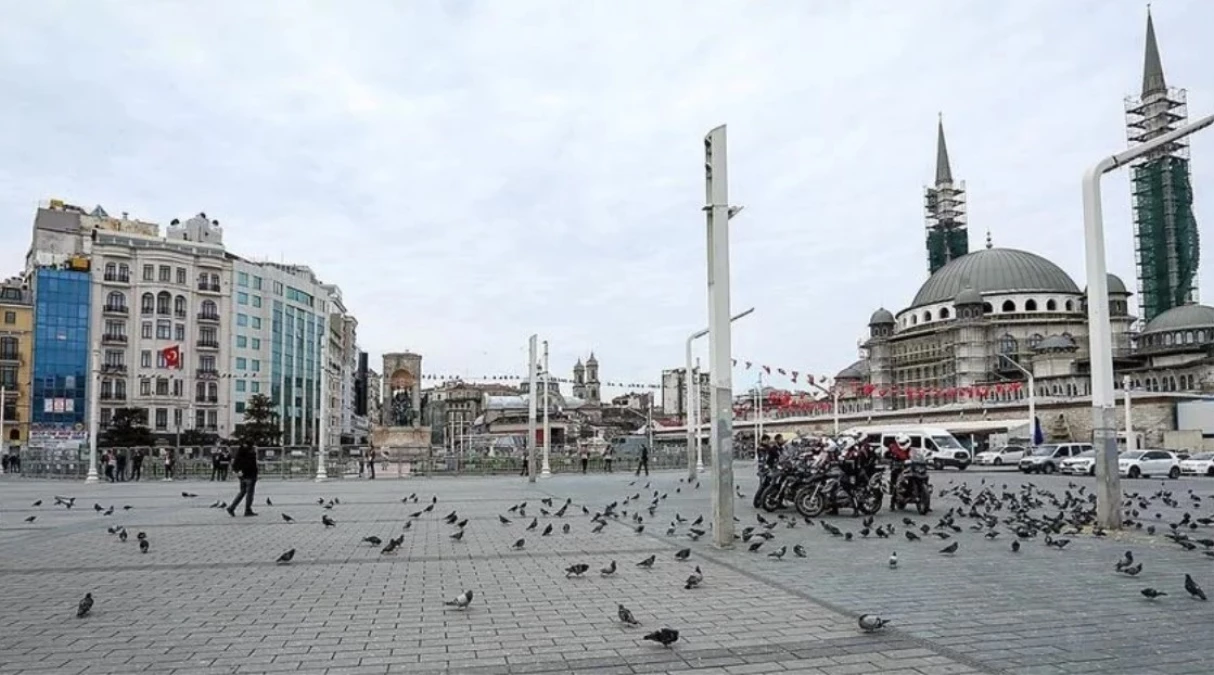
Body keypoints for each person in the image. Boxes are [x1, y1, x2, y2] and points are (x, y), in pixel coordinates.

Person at [227, 441, 259, 517]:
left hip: (242, 476)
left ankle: (232, 507)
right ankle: (247, 510)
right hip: (250, 476)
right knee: (249, 494)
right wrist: (255, 475)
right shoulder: (251, 453)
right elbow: (253, 466)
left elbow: (234, 465)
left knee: (242, 492)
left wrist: (238, 471)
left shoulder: (240, 452)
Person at [887, 434, 913, 510]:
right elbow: (888, 454)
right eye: (902, 443)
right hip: (897, 468)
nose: (903, 444)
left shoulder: (910, 448)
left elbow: (913, 455)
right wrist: (893, 457)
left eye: (904, 442)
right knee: (896, 484)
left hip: (908, 467)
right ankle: (892, 503)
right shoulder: (893, 447)